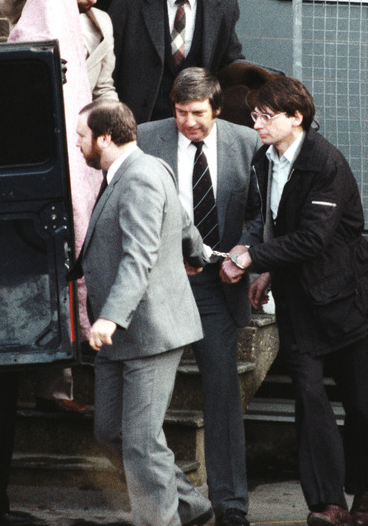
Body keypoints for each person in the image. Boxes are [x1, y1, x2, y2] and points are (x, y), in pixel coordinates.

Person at [220, 77, 368, 526]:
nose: (256, 122)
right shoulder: (265, 158)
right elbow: (270, 221)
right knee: (309, 396)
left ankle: (365, 492)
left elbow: (315, 237)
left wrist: (254, 259)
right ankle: (326, 503)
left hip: (346, 297)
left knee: (357, 400)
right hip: (299, 299)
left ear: (296, 117)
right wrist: (266, 266)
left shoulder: (324, 162)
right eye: (253, 115)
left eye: (265, 115)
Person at [76, 99, 215, 526]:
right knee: (112, 433)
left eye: (82, 136)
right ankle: (192, 508)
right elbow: (184, 221)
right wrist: (197, 252)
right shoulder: (138, 171)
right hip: (124, 336)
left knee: (139, 440)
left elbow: (139, 257)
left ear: (104, 137)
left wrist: (109, 317)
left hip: (148, 331)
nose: (77, 144)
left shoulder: (138, 178)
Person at [138, 67, 262, 526]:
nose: (187, 122)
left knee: (222, 393)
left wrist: (248, 258)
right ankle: (175, 504)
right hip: (161, 282)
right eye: (179, 112)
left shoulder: (245, 144)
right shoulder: (148, 138)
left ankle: (231, 508)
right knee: (147, 400)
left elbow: (257, 212)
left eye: (196, 113)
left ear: (216, 107)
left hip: (218, 283)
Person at [0, 0, 117, 414]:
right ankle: (51, 384)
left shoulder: (101, 24)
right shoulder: (32, 2)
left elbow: (103, 85)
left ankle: (73, 377)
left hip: (86, 156)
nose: (93, 0)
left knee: (85, 250)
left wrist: (114, 130)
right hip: (42, 152)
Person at [109, 0, 245, 123]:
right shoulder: (129, 0)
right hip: (139, 119)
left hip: (196, 121)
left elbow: (229, 65)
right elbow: (109, 66)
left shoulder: (225, 5)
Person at [0, 0, 118, 102]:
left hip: (78, 119)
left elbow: (103, 89)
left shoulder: (102, 23)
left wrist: (115, 119)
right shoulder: (33, 0)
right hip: (33, 109)